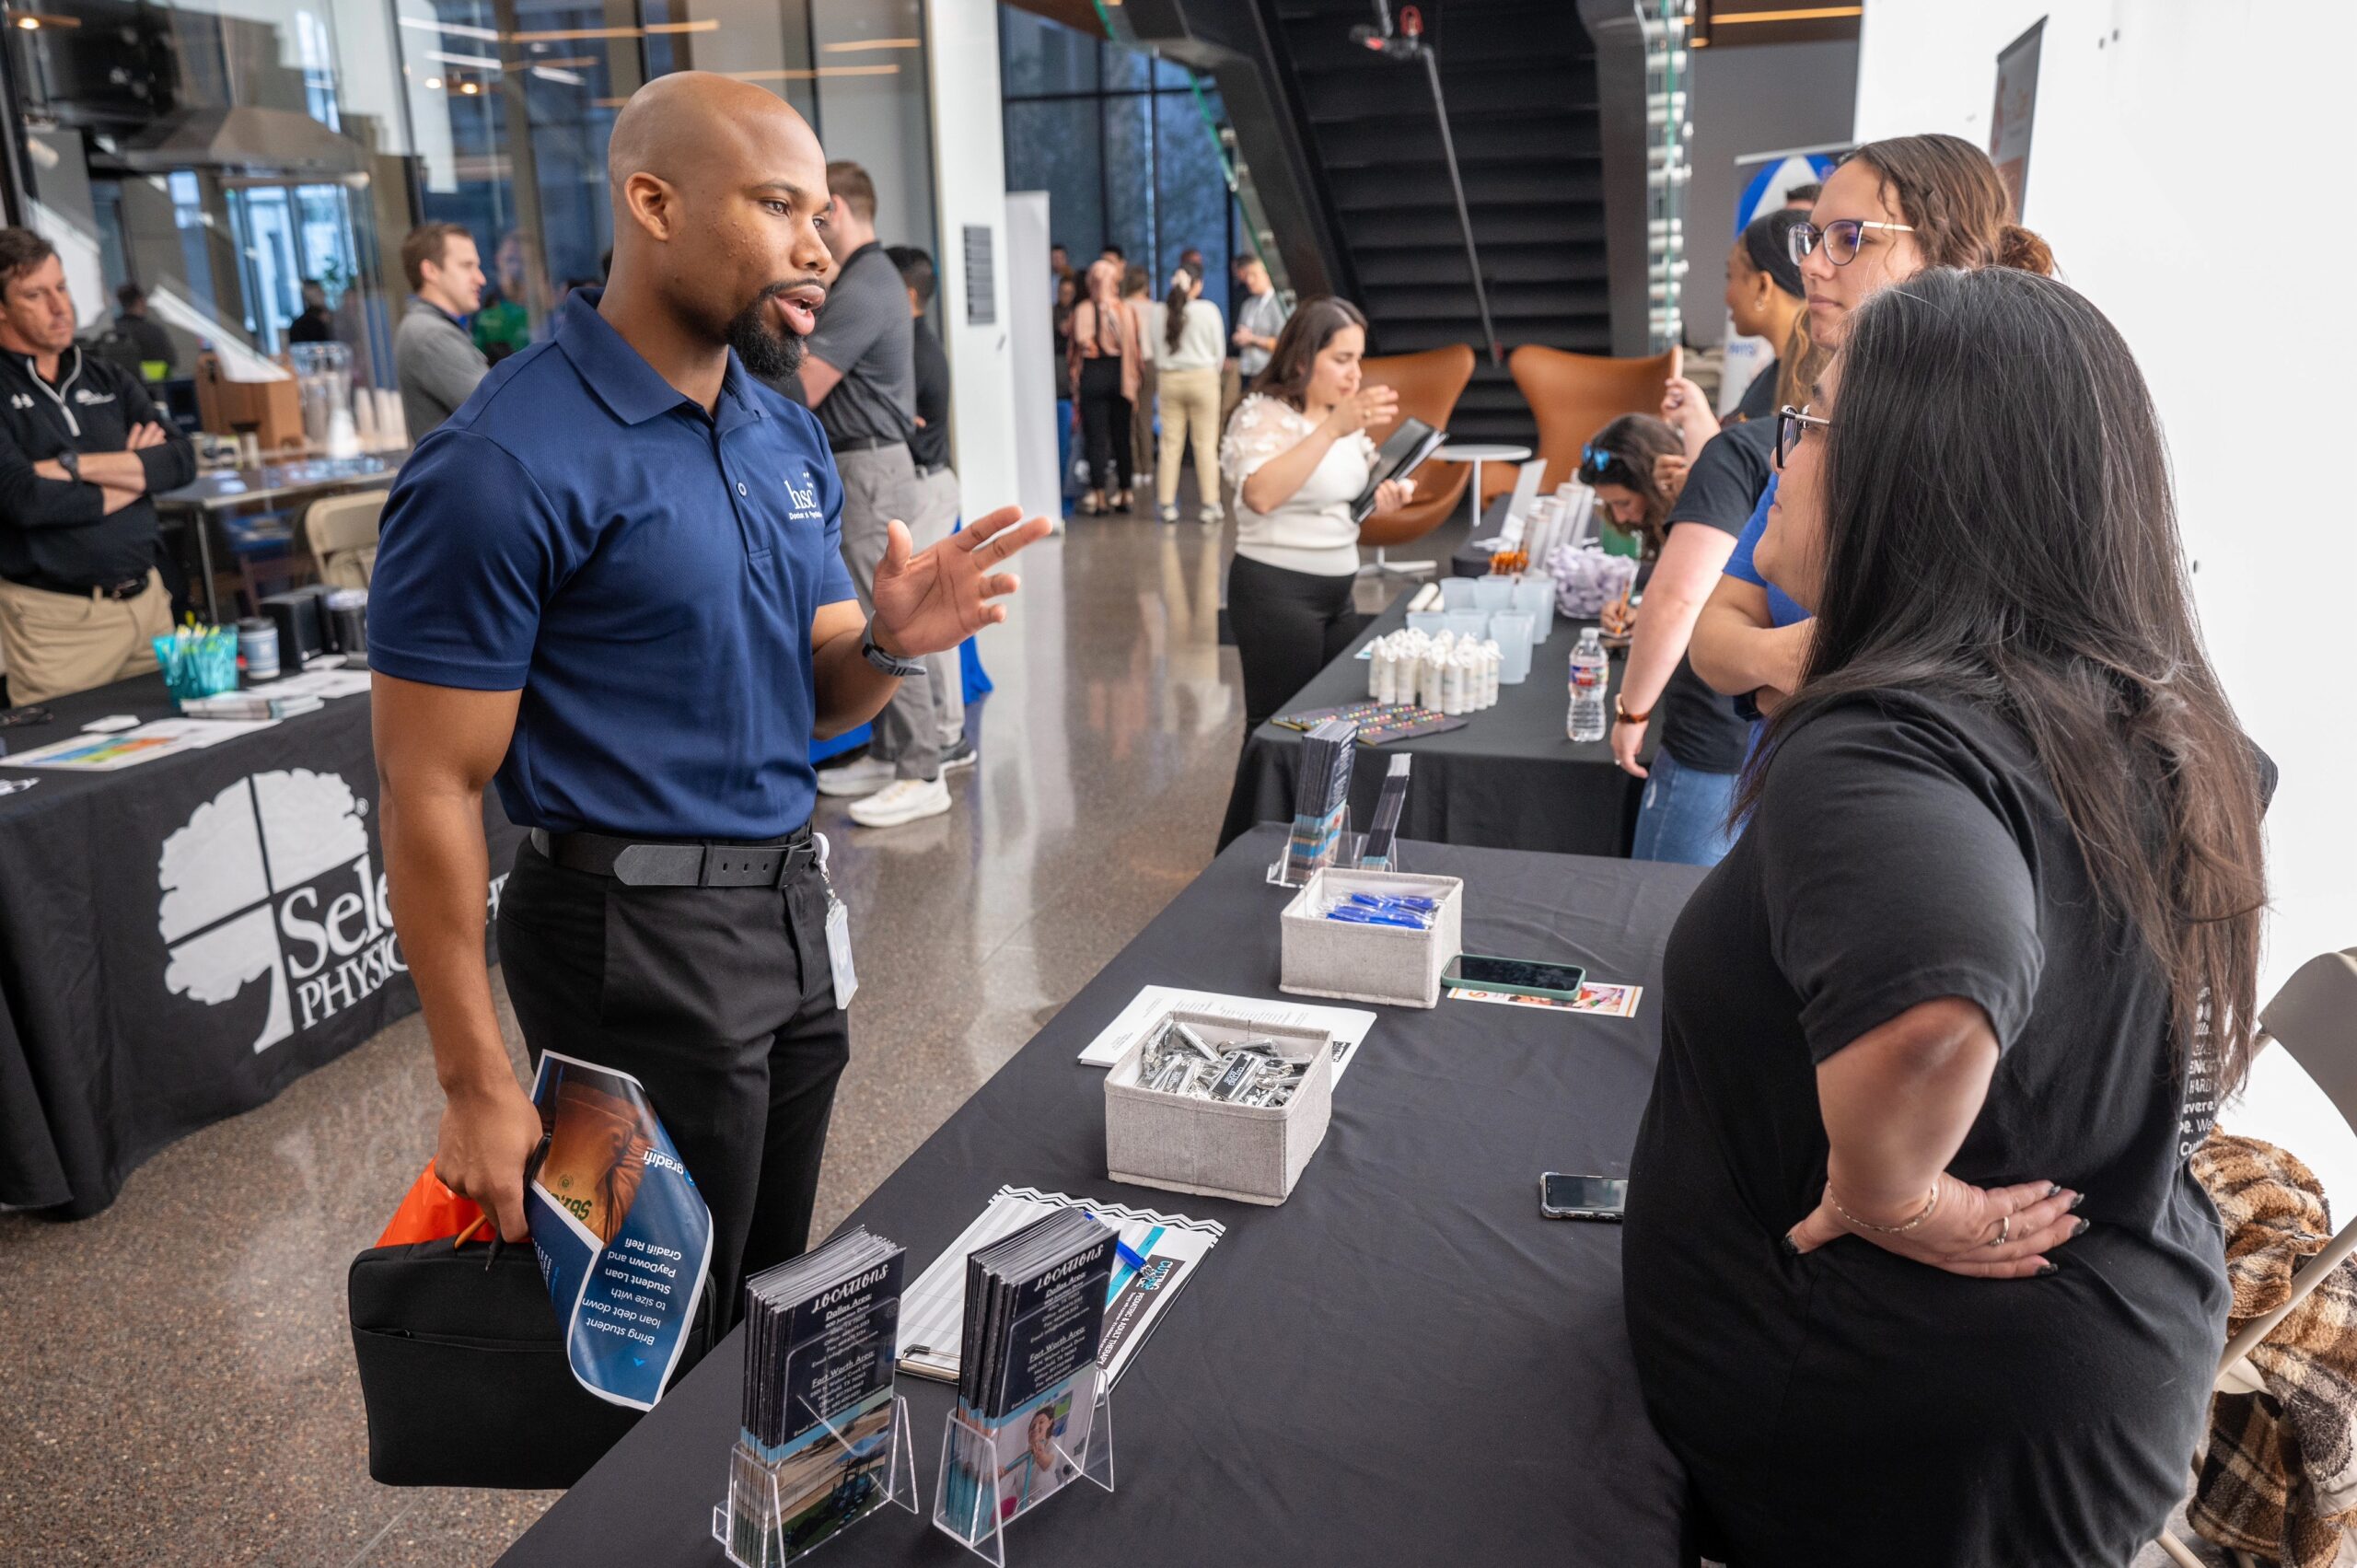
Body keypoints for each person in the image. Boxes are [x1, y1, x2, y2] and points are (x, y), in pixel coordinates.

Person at [367, 73, 1051, 1344]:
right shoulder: (501, 460)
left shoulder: (772, 427)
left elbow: (816, 682)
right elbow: (429, 785)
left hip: (787, 915)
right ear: (653, 202)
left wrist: (896, 639)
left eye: (822, 211)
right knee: (640, 1333)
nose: (818, 242)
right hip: (623, 941)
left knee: (761, 1299)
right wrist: (473, 1078)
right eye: (780, 204)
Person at [1622, 262, 2269, 1566]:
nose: (1784, 459)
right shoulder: (2148, 709)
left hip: (1895, 1438)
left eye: (1814, 428)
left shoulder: (1879, 743)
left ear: (1908, 483)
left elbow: (1936, 991)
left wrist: (1896, 1191)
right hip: (2064, 1398)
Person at [1689, 133, 2057, 716]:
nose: (1809, 264)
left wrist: (1783, 675)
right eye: (1811, 238)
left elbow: (1975, 677)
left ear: (1947, 258)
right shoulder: (1817, 436)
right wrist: (1795, 661)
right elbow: (1711, 638)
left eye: (1848, 239)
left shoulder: (2003, 450)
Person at [799, 159, 946, 829]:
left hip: (869, 468)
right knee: (868, 617)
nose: (805, 233)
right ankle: (892, 754)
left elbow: (801, 387)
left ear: (835, 208)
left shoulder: (863, 283)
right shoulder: (865, 277)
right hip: (860, 464)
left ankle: (922, 768)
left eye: (809, 214)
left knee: (891, 619)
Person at [0, 230, 195, 704]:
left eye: (61, 288)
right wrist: (134, 474)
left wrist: (70, 466)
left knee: (182, 768)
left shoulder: (105, 374)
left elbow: (179, 459)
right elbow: (22, 497)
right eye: (35, 295)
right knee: (75, 773)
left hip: (151, 609)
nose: (59, 306)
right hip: (59, 628)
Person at [1218, 297, 1414, 734]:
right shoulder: (1263, 414)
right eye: (1342, 359)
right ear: (1303, 357)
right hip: (1277, 590)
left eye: (1359, 360)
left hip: (1338, 591)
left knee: (1331, 728)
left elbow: (1344, 496)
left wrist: (1386, 494)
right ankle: (1267, 806)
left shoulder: (1339, 420)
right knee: (1279, 729)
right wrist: (1331, 430)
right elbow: (1262, 496)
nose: (1356, 375)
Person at [1600, 406, 1774, 866]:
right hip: (1778, 730)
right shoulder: (1792, 443)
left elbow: (1679, 596)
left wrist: (1632, 712)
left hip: (1715, 733)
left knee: (1661, 899)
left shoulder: (1735, 452)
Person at [887, 242, 970, 765]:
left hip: (926, 485)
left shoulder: (915, 350)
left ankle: (947, 735)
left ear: (909, 294)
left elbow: (909, 427)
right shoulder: (912, 343)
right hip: (926, 484)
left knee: (927, 614)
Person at [394, 221, 489, 440]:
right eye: (467, 266)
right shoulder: (431, 335)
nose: (480, 278)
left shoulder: (431, 328)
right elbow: (501, 410)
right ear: (431, 271)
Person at [1719, 209, 1807, 422]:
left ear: (1763, 286)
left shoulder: (1801, 391)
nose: (1727, 297)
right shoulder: (1775, 375)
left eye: (1731, 276)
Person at [1155, 262, 1224, 526]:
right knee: (1205, 445)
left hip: (1169, 380)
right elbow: (1219, 352)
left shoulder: (1159, 312)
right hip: (1203, 378)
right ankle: (1209, 505)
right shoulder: (1209, 311)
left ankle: (1167, 505)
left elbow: (1153, 350)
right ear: (1197, 285)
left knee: (1170, 445)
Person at [1068, 257, 1135, 517]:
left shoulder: (1083, 309)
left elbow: (1077, 344)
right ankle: (1126, 492)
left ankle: (1099, 497)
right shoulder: (1124, 310)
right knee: (1122, 437)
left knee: (1096, 439)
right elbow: (1133, 347)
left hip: (1093, 375)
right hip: (1121, 375)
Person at [1120, 263, 1157, 498]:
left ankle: (1134, 467)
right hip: (1151, 363)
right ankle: (1148, 468)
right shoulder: (1157, 309)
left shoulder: (1122, 307)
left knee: (1129, 417)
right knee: (1146, 415)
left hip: (1129, 363)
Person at [1230, 254, 1287, 381]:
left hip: (1268, 371)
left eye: (1254, 275)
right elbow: (1239, 334)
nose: (1249, 280)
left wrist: (1252, 339)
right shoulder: (1248, 304)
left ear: (1267, 275)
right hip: (1246, 370)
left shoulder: (1278, 304)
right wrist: (1239, 338)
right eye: (1248, 276)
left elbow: (1283, 343)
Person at [112, 283, 177, 374]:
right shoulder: (153, 331)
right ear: (140, 301)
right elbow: (171, 362)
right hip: (153, 385)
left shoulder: (113, 330)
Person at [288, 279, 337, 344]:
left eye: (321, 291)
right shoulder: (301, 325)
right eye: (318, 292)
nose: (323, 294)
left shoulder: (335, 317)